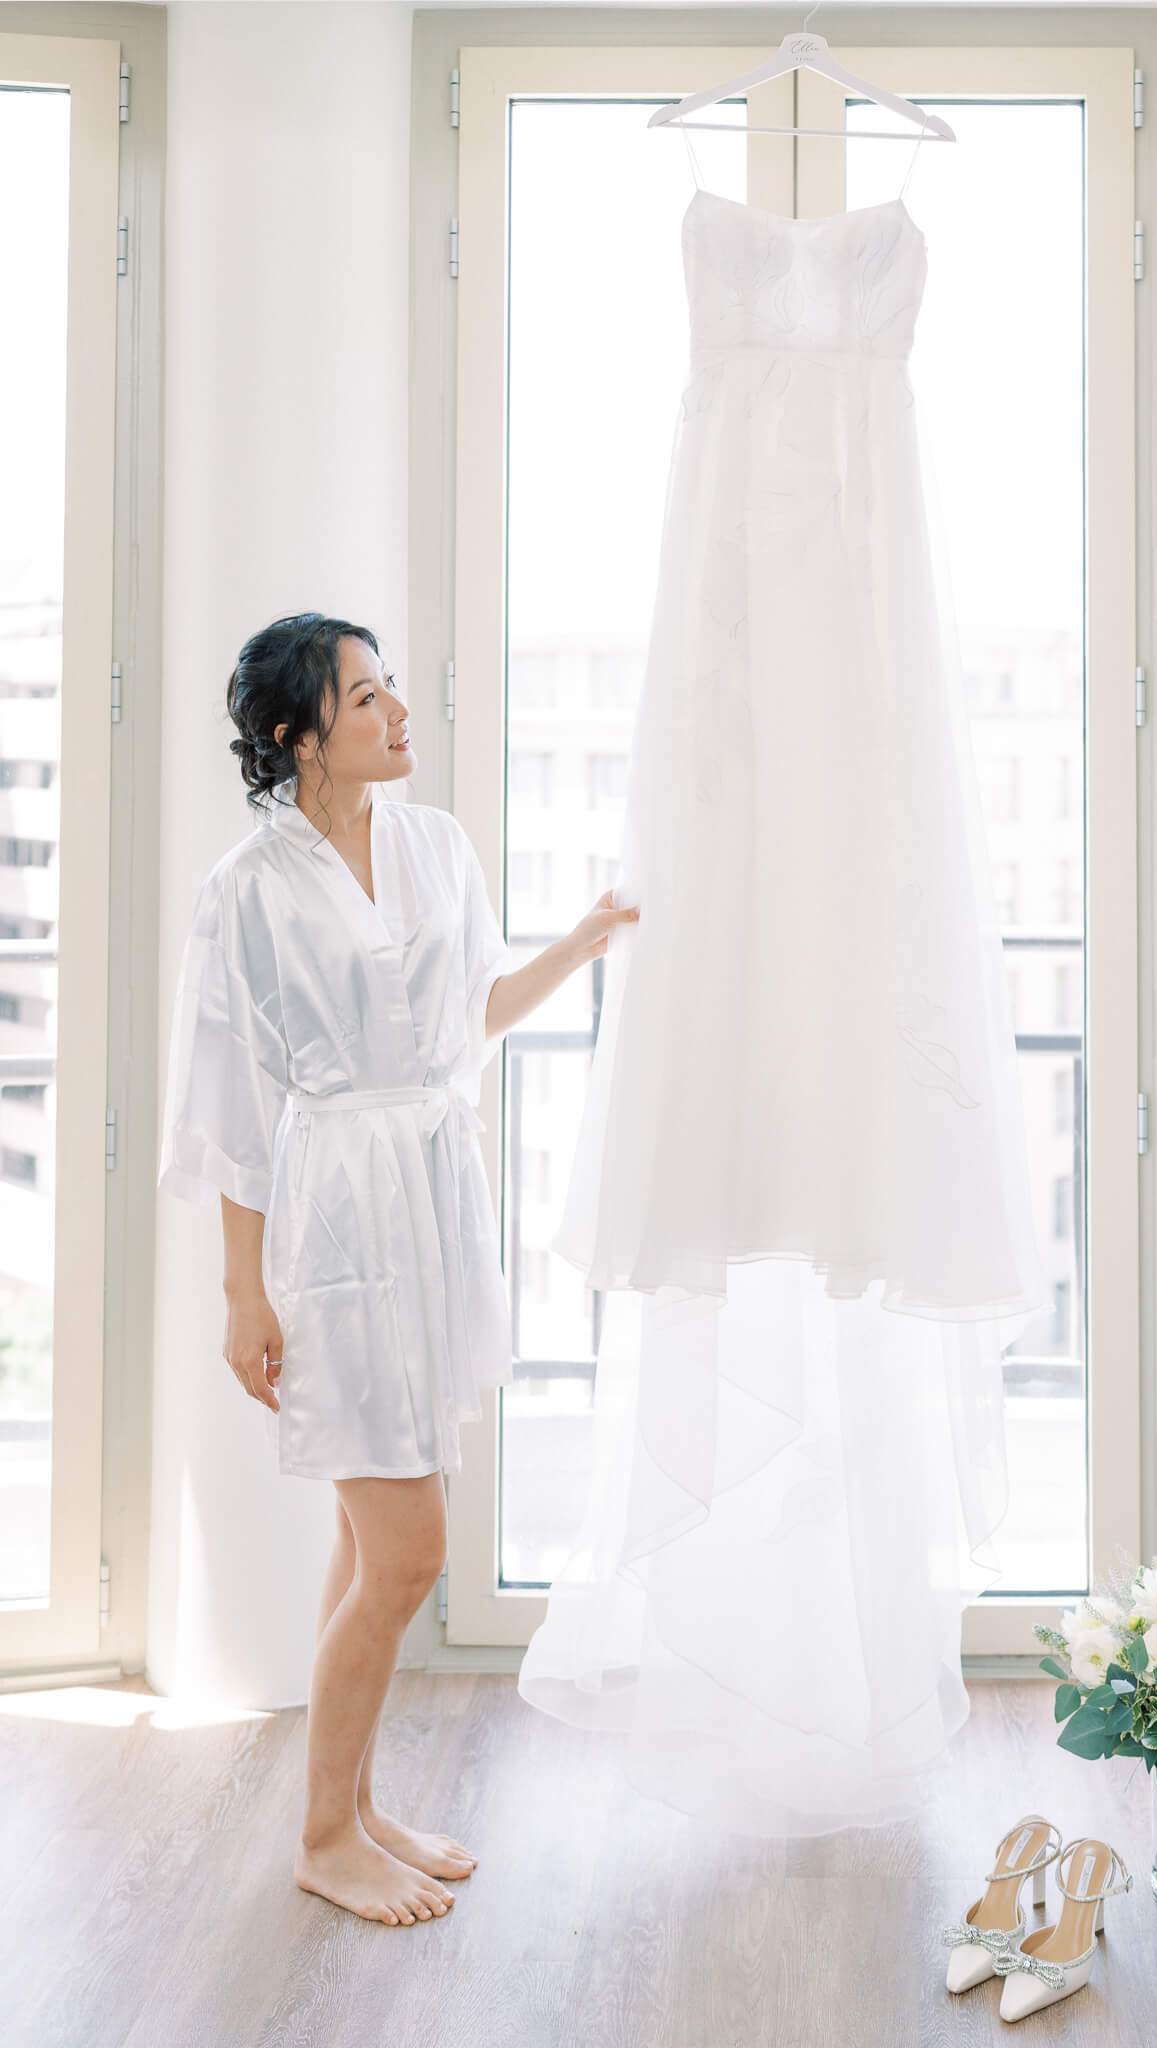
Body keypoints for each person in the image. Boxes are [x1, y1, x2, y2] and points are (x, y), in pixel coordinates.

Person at [157, 613, 636, 1926]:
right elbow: (230, 1108)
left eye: (388, 690)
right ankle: (320, 1837)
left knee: (363, 1541)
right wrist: (239, 1293)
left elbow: (463, 1014)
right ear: (292, 737)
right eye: (363, 700)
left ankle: (357, 1809)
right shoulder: (245, 892)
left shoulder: (434, 844)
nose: (396, 714)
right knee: (410, 1552)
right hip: (332, 1222)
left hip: (432, 1199)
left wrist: (580, 943)